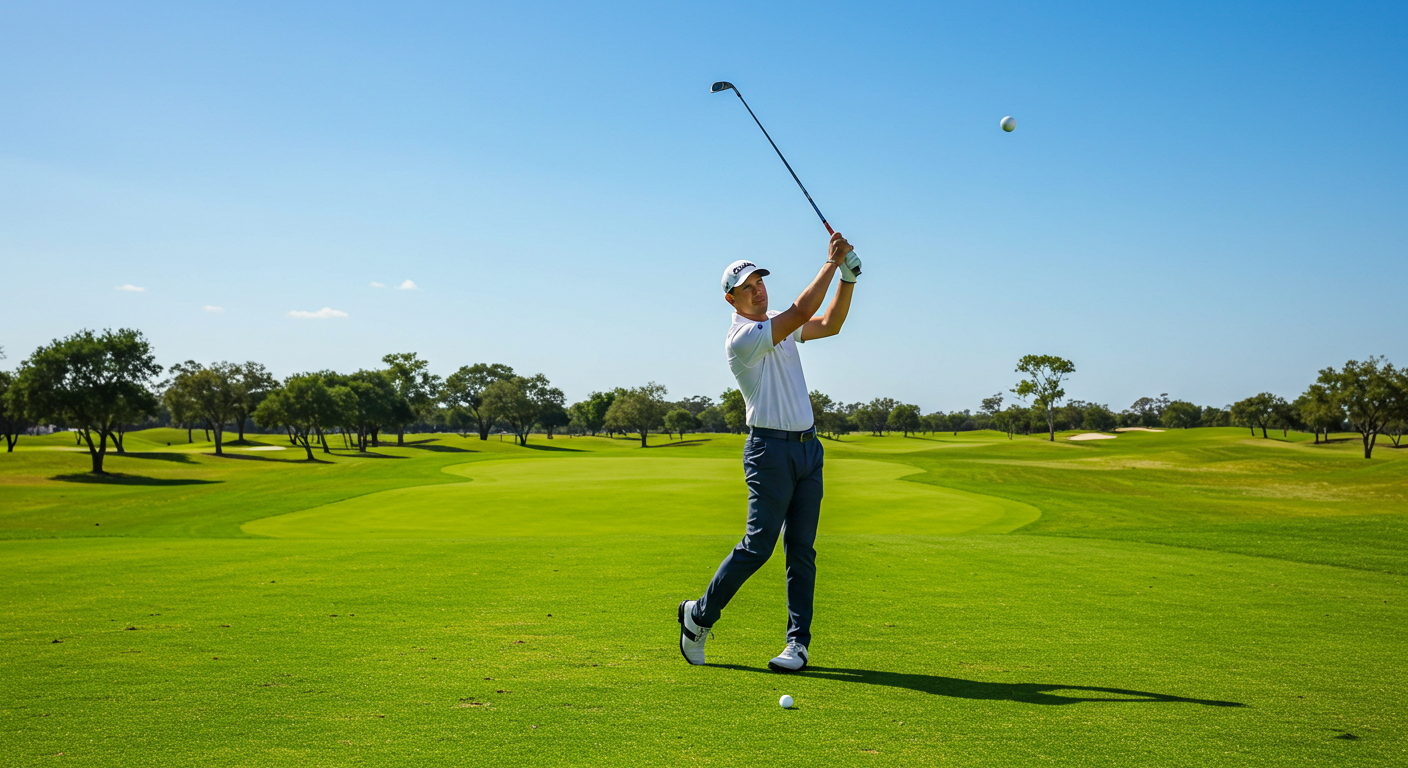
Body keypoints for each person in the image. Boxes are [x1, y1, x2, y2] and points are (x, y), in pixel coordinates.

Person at [678, 232, 860, 672]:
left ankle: (797, 645)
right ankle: (699, 616)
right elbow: (803, 310)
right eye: (747, 286)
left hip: (808, 450)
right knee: (758, 546)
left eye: (759, 280)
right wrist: (832, 263)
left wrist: (848, 281)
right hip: (769, 451)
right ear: (731, 299)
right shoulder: (742, 338)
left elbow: (829, 323)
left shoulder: (778, 319)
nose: (757, 289)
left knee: (802, 549)